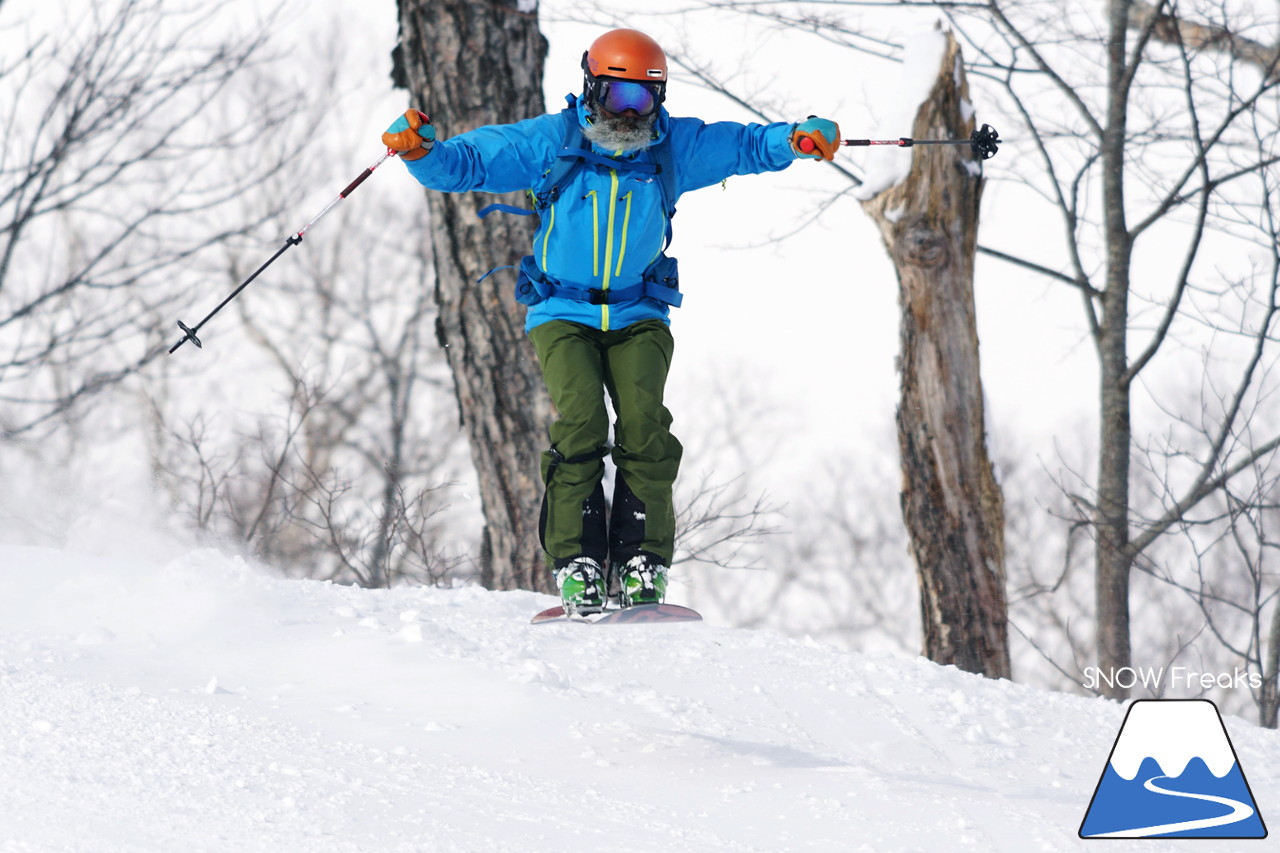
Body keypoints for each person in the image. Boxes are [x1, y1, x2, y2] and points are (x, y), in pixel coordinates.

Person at [382, 28, 839, 615]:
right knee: (581, 424)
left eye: (643, 100)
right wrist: (421, 152)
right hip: (562, 312)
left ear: (660, 99)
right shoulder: (553, 140)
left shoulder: (674, 148)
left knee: (645, 426)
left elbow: (747, 145)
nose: (630, 113)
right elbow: (467, 164)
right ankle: (577, 563)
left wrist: (796, 140)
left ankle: (642, 561)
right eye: (618, 98)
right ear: (591, 88)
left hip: (638, 310)